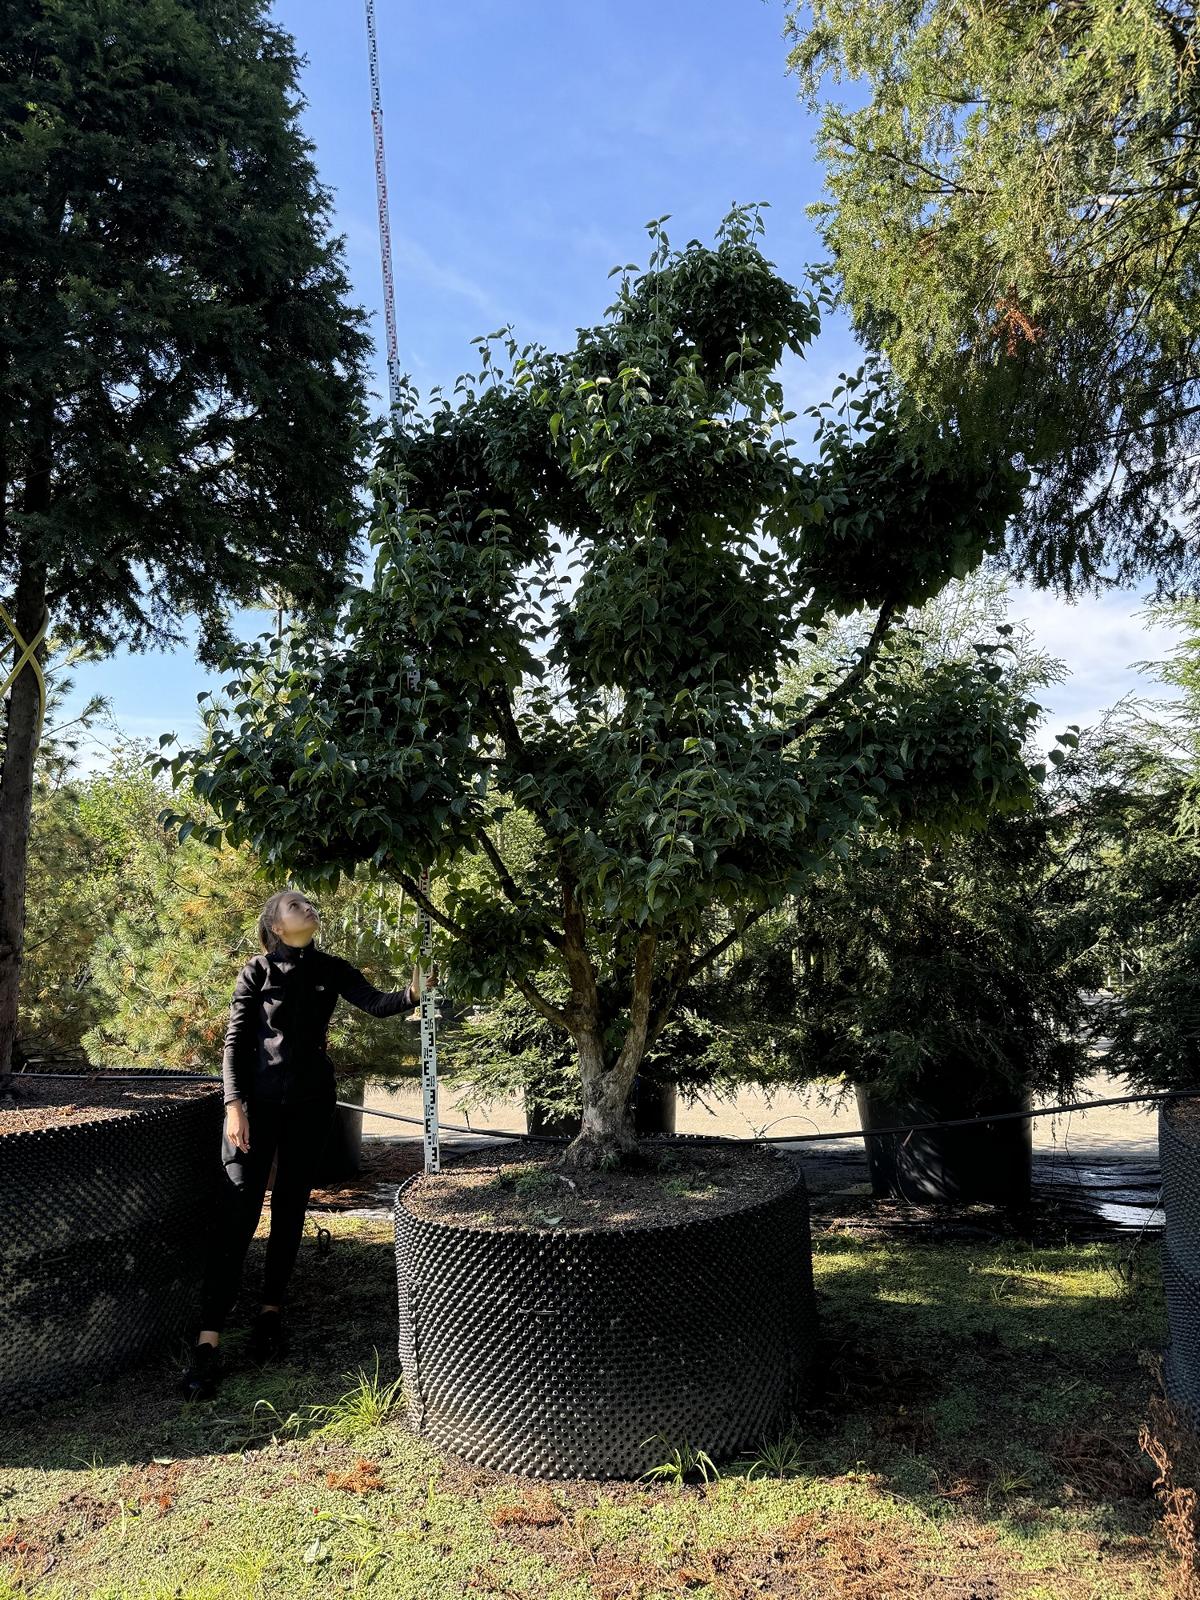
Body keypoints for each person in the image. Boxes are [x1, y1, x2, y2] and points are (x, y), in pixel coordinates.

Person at [181, 888, 433, 1399]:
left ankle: (271, 1313)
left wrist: (411, 996)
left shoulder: (331, 968)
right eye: (296, 905)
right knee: (238, 1212)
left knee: (292, 1205)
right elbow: (234, 1043)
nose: (308, 908)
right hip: (255, 1109)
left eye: (310, 904)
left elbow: (376, 1003)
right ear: (276, 925)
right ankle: (208, 1341)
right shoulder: (256, 972)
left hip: (312, 1106)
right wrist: (234, 1107)